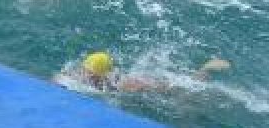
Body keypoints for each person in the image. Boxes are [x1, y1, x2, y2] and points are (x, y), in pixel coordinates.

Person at [63, 51, 231, 93]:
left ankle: (205, 69)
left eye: (90, 73)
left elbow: (159, 87)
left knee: (182, 86)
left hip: (148, 84)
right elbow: (60, 78)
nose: (85, 74)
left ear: (102, 74)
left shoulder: (124, 84)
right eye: (85, 70)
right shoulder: (81, 75)